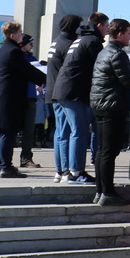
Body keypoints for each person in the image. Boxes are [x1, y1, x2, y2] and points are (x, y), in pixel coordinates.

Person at [90, 19, 130, 205]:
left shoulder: (104, 52)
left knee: (102, 150)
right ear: (120, 34)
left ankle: (101, 191)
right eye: (129, 33)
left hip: (101, 104)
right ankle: (107, 192)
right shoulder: (117, 54)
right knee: (108, 152)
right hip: (111, 106)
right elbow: (127, 81)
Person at [51, 12, 110, 185]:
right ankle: (75, 173)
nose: (107, 31)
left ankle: (63, 172)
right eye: (106, 26)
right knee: (80, 130)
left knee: (65, 133)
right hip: (72, 92)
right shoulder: (92, 41)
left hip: (64, 90)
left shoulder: (81, 39)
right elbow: (105, 65)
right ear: (99, 25)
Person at [0, 22, 47, 178]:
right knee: (7, 133)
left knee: (1, 133)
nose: (22, 35)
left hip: (3, 97)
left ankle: (1, 165)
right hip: (10, 98)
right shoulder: (14, 51)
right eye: (20, 32)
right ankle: (6, 167)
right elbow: (28, 71)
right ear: (13, 35)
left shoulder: (3, 49)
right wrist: (47, 79)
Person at [44, 13, 81, 181]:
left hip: (53, 91)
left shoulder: (57, 41)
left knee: (60, 132)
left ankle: (59, 170)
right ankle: (66, 170)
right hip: (63, 92)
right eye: (79, 25)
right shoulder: (68, 44)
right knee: (67, 131)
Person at [18, 35, 42, 168]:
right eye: (30, 43)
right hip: (17, 97)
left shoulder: (33, 59)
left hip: (31, 96)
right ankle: (3, 160)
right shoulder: (16, 57)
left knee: (29, 129)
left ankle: (26, 158)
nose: (32, 46)